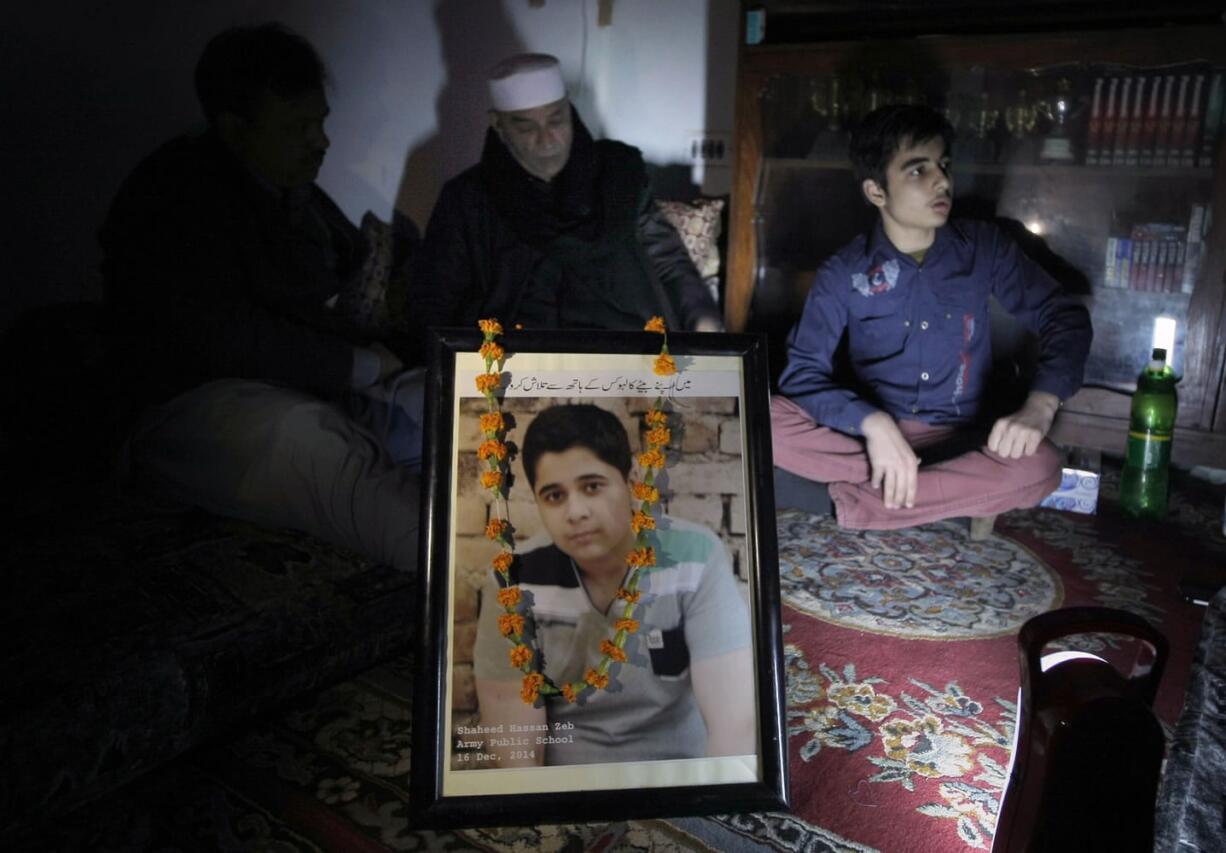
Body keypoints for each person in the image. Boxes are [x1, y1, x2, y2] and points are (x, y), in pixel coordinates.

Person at [100, 23, 421, 571]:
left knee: (441, 400)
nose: (321, 141)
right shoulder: (172, 194)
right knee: (316, 445)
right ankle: (485, 583)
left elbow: (340, 286)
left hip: (300, 380)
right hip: (191, 402)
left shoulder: (298, 195)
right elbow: (224, 333)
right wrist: (357, 364)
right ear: (235, 129)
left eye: (320, 121)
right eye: (299, 127)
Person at [771, 104, 1092, 531]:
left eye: (943, 166)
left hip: (961, 439)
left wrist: (1041, 404)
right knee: (761, 419)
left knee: (1044, 466)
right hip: (869, 442)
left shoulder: (984, 247)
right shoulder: (843, 272)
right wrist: (874, 423)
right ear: (876, 191)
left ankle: (861, 504)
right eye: (918, 171)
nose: (942, 180)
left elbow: (1063, 315)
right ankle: (946, 498)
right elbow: (802, 374)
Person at [472, 404, 754, 766]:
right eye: (555, 496)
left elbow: (735, 724)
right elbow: (515, 744)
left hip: (679, 770)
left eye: (592, 487)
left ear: (631, 479)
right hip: (569, 782)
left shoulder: (695, 557)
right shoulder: (513, 580)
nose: (575, 512)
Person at [412, 53, 722, 349]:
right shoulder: (467, 200)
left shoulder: (618, 175)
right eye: (526, 126)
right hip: (511, 359)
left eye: (556, 121)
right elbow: (436, 299)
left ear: (570, 112)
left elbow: (668, 260)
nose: (546, 140)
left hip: (621, 349)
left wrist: (703, 320)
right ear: (498, 124)